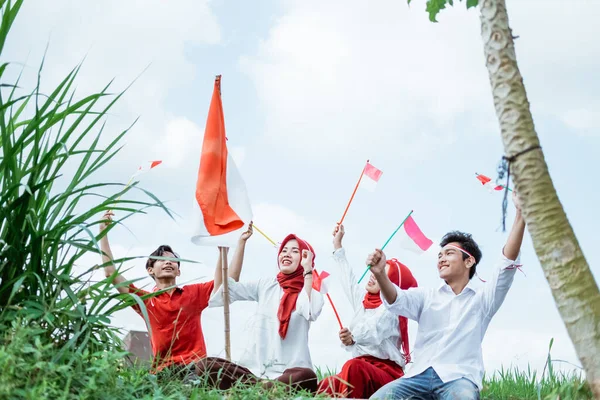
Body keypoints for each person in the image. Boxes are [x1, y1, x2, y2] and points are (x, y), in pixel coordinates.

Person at [369, 192, 526, 399]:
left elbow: (506, 263)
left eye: (449, 253)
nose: (441, 259)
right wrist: (380, 274)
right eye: (439, 255)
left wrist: (520, 213)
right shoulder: (426, 297)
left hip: (458, 379)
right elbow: (396, 299)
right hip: (416, 377)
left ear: (469, 262)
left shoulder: (482, 301)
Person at [197, 225, 324, 393]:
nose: (286, 254)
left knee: (307, 376)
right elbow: (228, 289)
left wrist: (308, 271)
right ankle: (265, 389)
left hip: (290, 373)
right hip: (255, 373)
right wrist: (241, 243)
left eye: (295, 251)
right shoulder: (267, 285)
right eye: (284, 250)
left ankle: (256, 390)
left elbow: (308, 310)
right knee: (205, 366)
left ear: (305, 258)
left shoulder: (311, 291)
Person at [99, 211, 222, 377]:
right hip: (165, 372)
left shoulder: (194, 293)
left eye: (173, 260)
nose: (168, 262)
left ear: (179, 271)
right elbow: (110, 273)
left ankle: (262, 385)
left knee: (219, 365)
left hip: (197, 367)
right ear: (151, 270)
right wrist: (103, 231)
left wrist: (223, 251)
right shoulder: (145, 301)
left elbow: (223, 283)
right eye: (161, 259)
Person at [317, 224, 418, 398]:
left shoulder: (392, 310)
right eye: (374, 272)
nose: (373, 275)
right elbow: (348, 281)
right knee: (327, 384)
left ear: (391, 284)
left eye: (381, 275)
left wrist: (353, 337)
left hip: (386, 373)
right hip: (362, 368)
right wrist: (337, 245)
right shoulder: (364, 302)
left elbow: (374, 329)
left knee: (353, 367)